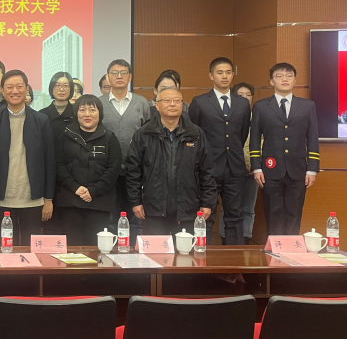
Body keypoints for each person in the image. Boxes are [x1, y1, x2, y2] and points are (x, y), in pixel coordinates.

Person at [126, 87, 216, 235]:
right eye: (167, 100)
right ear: (157, 105)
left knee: (185, 249)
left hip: (188, 208)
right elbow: (133, 171)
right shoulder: (144, 134)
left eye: (177, 100)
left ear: (182, 104)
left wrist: (207, 203)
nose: (172, 104)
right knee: (157, 249)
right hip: (154, 208)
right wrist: (136, 202)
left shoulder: (196, 133)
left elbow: (207, 171)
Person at [0, 70, 56, 246]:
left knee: (31, 251)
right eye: (9, 87)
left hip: (33, 200)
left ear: (27, 89)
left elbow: (50, 161)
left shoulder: (42, 120)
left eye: (19, 86)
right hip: (2, 201)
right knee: (6, 249)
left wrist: (48, 199)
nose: (14, 91)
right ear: (2, 91)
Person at [251, 63, 319, 235]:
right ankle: (275, 248)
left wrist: (312, 169)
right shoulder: (261, 106)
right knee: (273, 214)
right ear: (271, 81)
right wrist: (256, 167)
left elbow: (312, 137)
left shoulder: (307, 106)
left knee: (294, 214)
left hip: (298, 170)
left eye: (289, 76)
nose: (284, 79)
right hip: (270, 169)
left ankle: (292, 249)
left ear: (295, 80)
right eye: (279, 76)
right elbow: (254, 139)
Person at [189, 57, 251, 245]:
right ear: (211, 76)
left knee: (235, 216)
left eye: (228, 72)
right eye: (220, 72)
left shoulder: (242, 103)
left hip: (235, 168)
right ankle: (203, 257)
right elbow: (194, 135)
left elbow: (242, 134)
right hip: (208, 169)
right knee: (206, 216)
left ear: (233, 75)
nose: (224, 76)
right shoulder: (200, 102)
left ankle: (234, 260)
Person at [55, 95, 122, 245]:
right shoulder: (65, 135)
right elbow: (59, 165)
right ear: (76, 113)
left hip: (99, 202)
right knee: (72, 249)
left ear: (100, 113)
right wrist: (75, 188)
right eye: (82, 110)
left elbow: (113, 169)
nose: (87, 114)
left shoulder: (109, 137)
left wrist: (94, 191)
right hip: (70, 201)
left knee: (96, 249)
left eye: (92, 110)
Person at [99, 59, 150, 241]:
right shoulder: (99, 103)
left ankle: (135, 256)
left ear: (130, 76)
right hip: (107, 171)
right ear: (108, 77)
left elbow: (148, 135)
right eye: (114, 73)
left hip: (136, 172)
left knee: (135, 218)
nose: (119, 76)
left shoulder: (142, 103)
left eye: (123, 73)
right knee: (110, 219)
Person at [219, 83, 258, 244]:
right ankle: (226, 239)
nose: (245, 98)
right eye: (240, 95)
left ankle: (246, 239)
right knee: (229, 207)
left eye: (248, 95)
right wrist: (242, 163)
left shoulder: (258, 117)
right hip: (232, 167)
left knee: (248, 207)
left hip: (253, 170)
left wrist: (254, 164)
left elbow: (263, 142)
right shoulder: (228, 116)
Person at [39, 72, 76, 236]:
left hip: (73, 176)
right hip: (48, 176)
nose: (61, 89)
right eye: (57, 85)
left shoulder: (79, 114)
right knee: (50, 228)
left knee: (72, 228)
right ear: (51, 88)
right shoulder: (41, 115)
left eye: (66, 85)